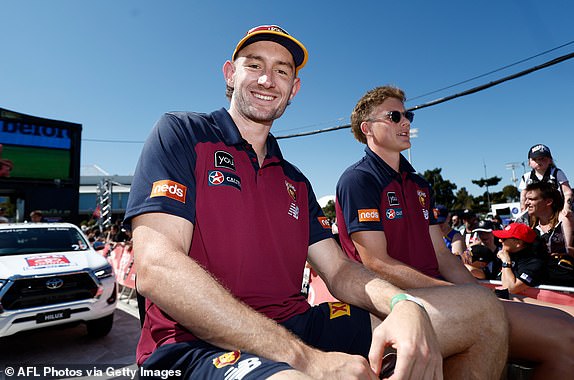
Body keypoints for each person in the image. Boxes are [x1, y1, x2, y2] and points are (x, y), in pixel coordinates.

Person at [123, 25, 484, 379]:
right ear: (230, 74)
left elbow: (340, 270)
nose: (267, 80)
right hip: (191, 346)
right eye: (255, 65)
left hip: (296, 326)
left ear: (293, 89)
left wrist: (400, 303)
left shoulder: (295, 179)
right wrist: (306, 361)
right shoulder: (182, 133)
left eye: (281, 71)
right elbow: (157, 268)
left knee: (481, 313)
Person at [335, 85, 574, 379]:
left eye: (407, 115)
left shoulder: (419, 183)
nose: (406, 122)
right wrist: (463, 295)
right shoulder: (357, 180)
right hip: (392, 306)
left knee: (567, 333)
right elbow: (376, 263)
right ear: (367, 128)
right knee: (565, 333)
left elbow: (442, 256)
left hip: (439, 297)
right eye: (394, 116)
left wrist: (474, 292)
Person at [519, 182, 574, 287]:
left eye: (532, 199)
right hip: (541, 289)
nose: (526, 203)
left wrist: (567, 250)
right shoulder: (530, 229)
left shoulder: (568, 223)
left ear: (548, 201)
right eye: (526, 199)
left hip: (568, 289)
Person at [519, 144, 573, 218]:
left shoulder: (557, 173)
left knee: (567, 221)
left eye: (542, 158)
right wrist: (523, 211)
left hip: (557, 211)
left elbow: (567, 192)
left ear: (550, 160)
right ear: (529, 162)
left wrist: (567, 208)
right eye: (534, 159)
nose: (538, 162)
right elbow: (523, 196)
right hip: (536, 213)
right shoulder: (526, 177)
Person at [493, 223, 548, 293]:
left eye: (504, 239)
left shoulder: (534, 263)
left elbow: (510, 289)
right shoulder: (506, 255)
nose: (500, 240)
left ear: (518, 243)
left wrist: (506, 262)